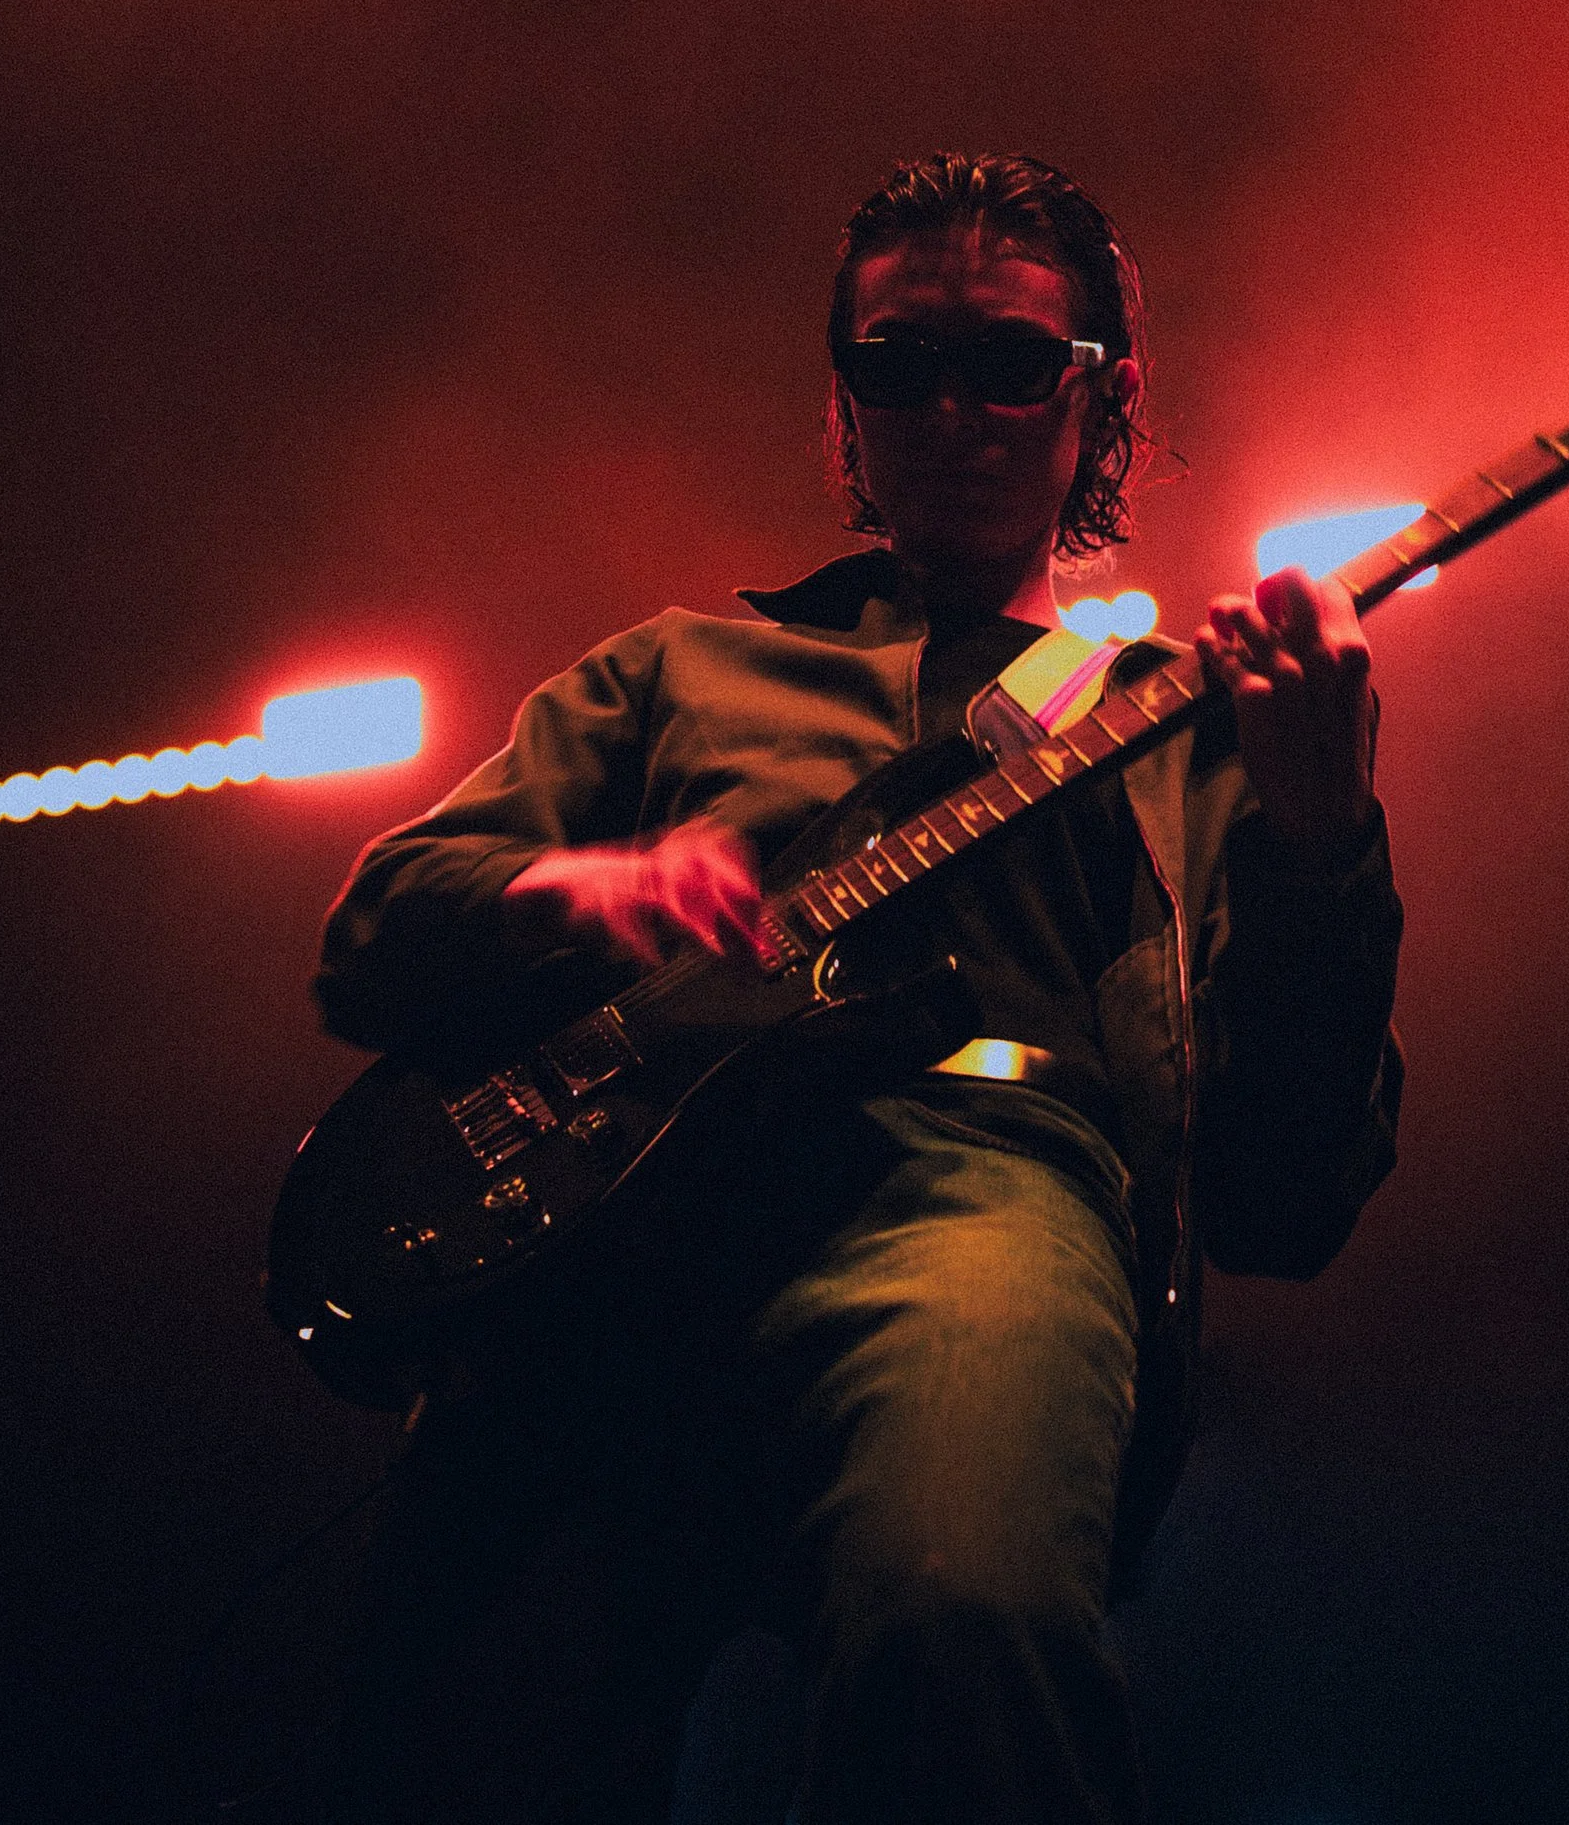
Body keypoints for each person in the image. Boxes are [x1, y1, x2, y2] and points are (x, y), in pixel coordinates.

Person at [313, 154, 1403, 1823]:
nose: (954, 408)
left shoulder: (1186, 727)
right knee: (444, 1726)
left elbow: (1285, 1197)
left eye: (1013, 364)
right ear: (844, 401)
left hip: (971, 1183)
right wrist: (581, 886)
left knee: (963, 1621)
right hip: (611, 1219)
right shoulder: (679, 666)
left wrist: (1323, 841)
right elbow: (377, 932)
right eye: (901, 365)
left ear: (1099, 403)